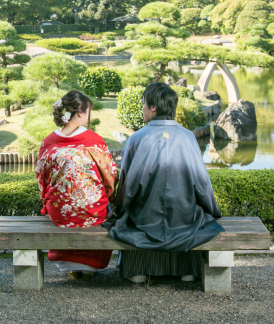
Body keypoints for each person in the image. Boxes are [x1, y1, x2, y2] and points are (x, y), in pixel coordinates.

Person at [105, 82, 223, 283]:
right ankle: (186, 269)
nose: (142, 109)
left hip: (144, 219)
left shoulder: (136, 138)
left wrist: (119, 209)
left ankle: (138, 271)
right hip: (184, 219)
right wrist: (212, 210)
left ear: (153, 107)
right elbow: (201, 182)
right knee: (195, 217)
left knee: (128, 219)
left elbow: (126, 183)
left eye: (143, 104)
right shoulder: (188, 137)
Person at [35, 89, 117, 279]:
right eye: (88, 112)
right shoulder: (93, 141)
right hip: (91, 211)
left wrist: (48, 202)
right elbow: (110, 176)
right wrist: (110, 197)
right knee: (102, 207)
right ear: (80, 113)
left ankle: (69, 265)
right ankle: (90, 265)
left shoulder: (48, 142)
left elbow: (42, 180)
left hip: (60, 212)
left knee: (60, 205)